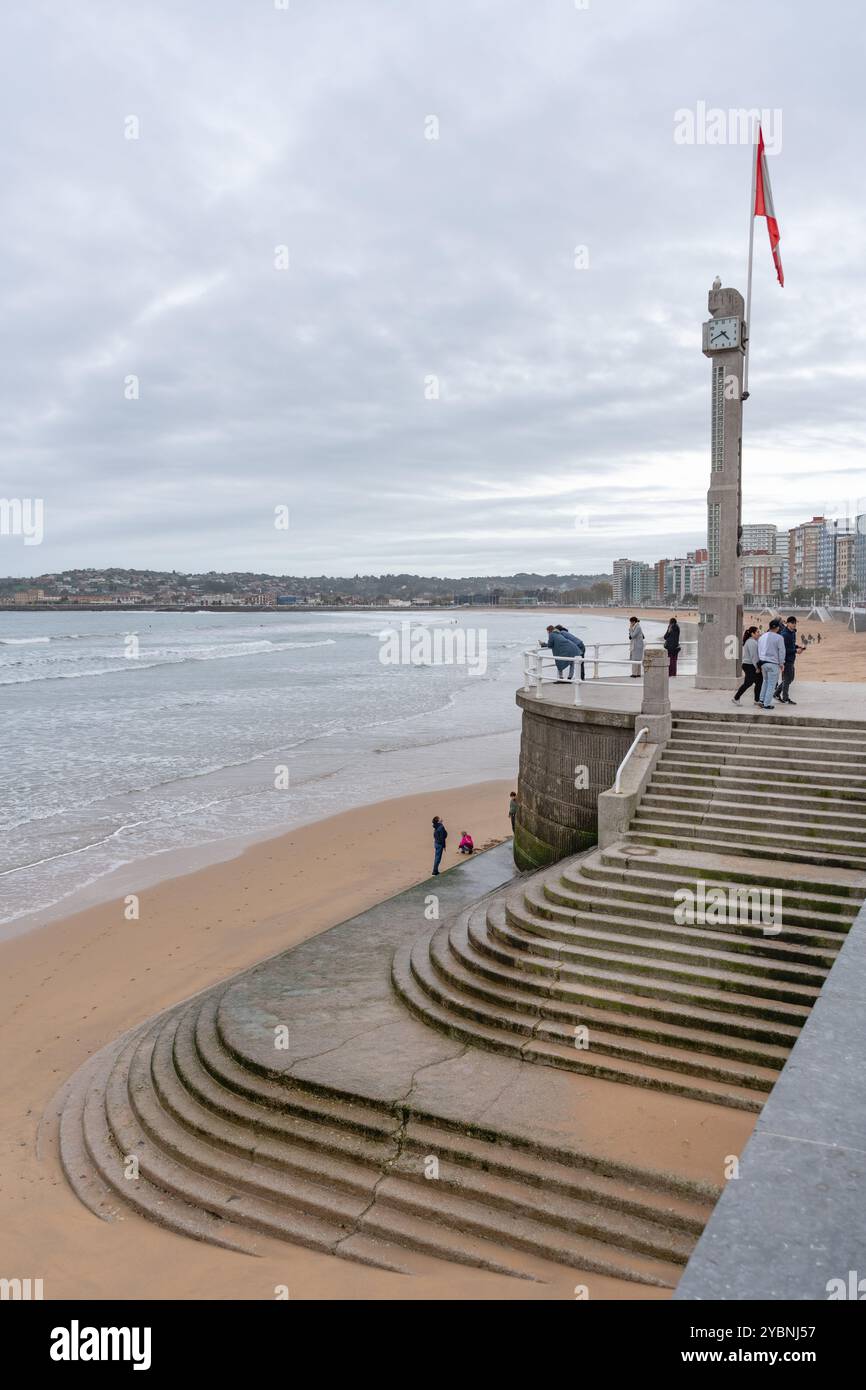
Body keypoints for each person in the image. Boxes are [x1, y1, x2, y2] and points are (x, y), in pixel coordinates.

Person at [774, 616, 805, 705]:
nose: (794, 624)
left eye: (795, 622)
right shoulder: (784, 635)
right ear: (787, 623)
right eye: (792, 623)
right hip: (786, 660)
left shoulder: (792, 633)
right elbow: (783, 649)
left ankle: (776, 694)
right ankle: (785, 698)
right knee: (787, 679)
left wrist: (798, 647)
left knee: (790, 678)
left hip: (791, 659)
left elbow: (791, 645)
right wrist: (796, 651)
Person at [757, 620, 786, 709]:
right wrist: (781, 663)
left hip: (763, 663)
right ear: (777, 628)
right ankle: (766, 704)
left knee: (765, 681)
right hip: (773, 663)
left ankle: (761, 700)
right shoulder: (779, 638)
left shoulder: (762, 637)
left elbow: (759, 650)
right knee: (771, 684)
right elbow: (781, 651)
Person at [733, 625, 762, 705]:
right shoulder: (752, 642)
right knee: (749, 683)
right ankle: (736, 698)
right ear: (752, 634)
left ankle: (756, 700)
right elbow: (754, 656)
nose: (759, 634)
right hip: (749, 665)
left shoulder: (751, 641)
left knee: (758, 681)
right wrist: (757, 667)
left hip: (748, 665)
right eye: (757, 632)